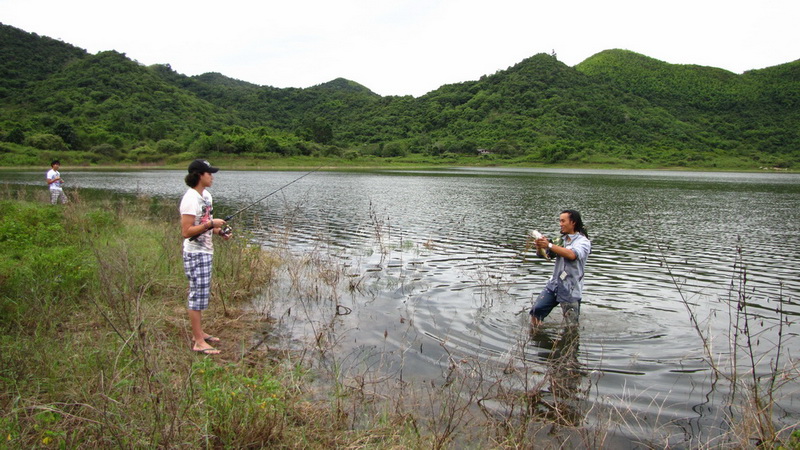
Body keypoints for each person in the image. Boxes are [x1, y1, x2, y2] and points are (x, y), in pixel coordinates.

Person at [179, 159, 231, 354]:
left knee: (201, 295)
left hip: (206, 251)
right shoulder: (190, 199)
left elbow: (204, 224)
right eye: (209, 173)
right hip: (195, 254)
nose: (212, 176)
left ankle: (198, 333)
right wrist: (211, 225)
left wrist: (218, 232)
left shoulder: (206, 196)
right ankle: (199, 341)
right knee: (197, 296)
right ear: (199, 175)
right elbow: (187, 231)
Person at [530, 210, 591, 327]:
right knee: (536, 311)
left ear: (573, 222)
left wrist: (549, 245)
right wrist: (539, 247)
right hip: (554, 284)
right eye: (560, 221)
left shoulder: (584, 242)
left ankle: (570, 343)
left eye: (563, 221)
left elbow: (572, 255)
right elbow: (545, 255)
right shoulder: (560, 240)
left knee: (571, 325)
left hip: (570, 289)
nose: (560, 224)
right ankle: (535, 337)